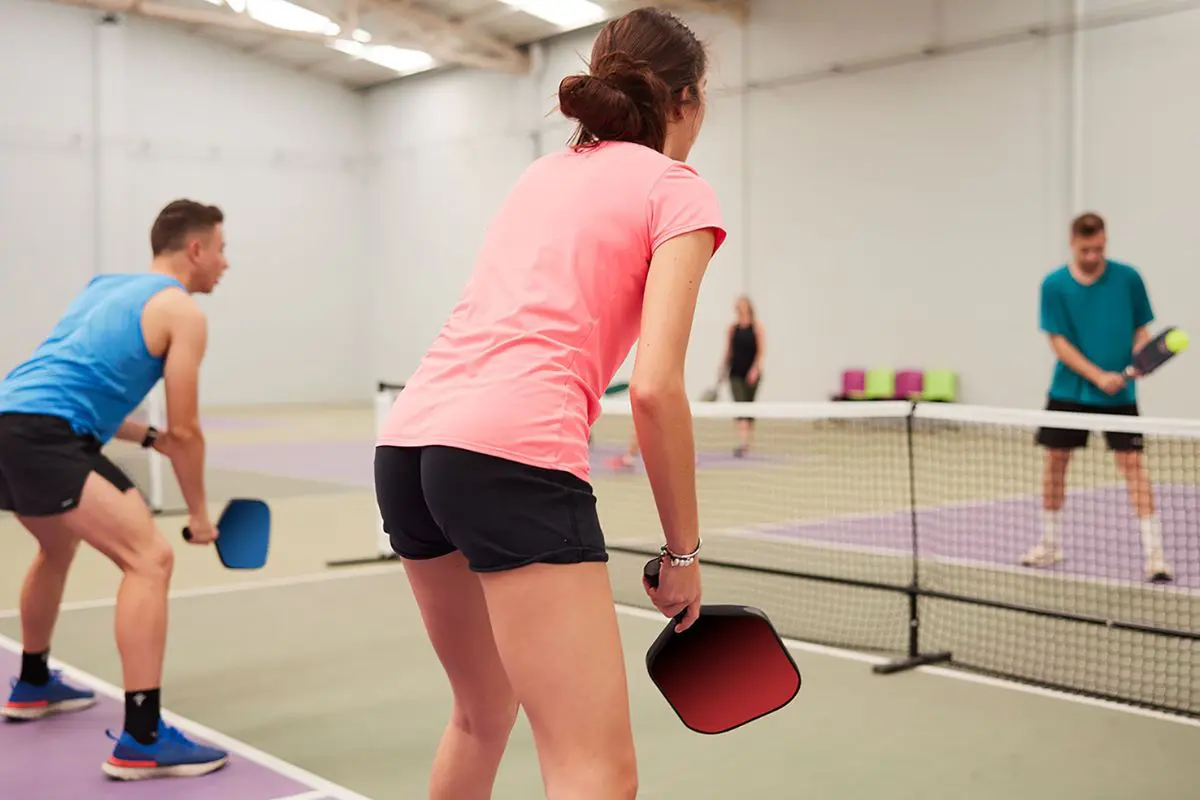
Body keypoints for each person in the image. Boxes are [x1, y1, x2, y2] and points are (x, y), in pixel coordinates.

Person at [374, 8, 725, 799]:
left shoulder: (541, 172)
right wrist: (683, 554)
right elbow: (658, 388)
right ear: (685, 102)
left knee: (479, 714)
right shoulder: (679, 192)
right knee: (594, 771)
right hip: (514, 457)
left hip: (408, 450)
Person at [0, 199, 233, 779]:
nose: (226, 264)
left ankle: (32, 683)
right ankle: (143, 738)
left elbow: (72, 377)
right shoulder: (184, 313)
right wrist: (200, 515)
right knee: (149, 559)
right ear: (195, 249)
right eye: (222, 250)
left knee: (57, 547)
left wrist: (147, 436)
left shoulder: (104, 288)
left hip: (9, 420)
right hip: (48, 436)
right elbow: (187, 430)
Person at [1023, 212, 1172, 583]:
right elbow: (1058, 342)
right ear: (1073, 243)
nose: (1093, 256)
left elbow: (1141, 330)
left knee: (1133, 465)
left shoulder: (1129, 278)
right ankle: (1050, 543)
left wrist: (1139, 357)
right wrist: (1097, 376)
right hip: (1069, 392)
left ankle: (1155, 556)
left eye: (1100, 248)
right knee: (1056, 463)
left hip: (1121, 394)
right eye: (1086, 249)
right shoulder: (1054, 285)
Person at [719, 294, 764, 456]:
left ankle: (748, 442)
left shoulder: (757, 328)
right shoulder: (733, 328)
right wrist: (722, 370)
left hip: (751, 374)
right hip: (735, 373)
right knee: (741, 408)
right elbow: (728, 351)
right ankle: (743, 443)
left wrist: (755, 369)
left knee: (749, 409)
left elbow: (761, 352)